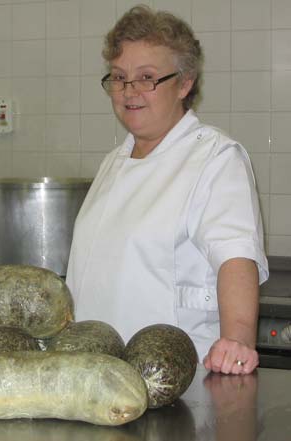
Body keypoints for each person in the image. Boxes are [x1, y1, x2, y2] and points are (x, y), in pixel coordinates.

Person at [66, 6, 268, 375]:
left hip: (177, 380)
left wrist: (238, 338)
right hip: (99, 377)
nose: (129, 91)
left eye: (147, 78)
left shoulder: (215, 157)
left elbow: (236, 257)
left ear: (185, 83)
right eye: (119, 77)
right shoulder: (114, 161)